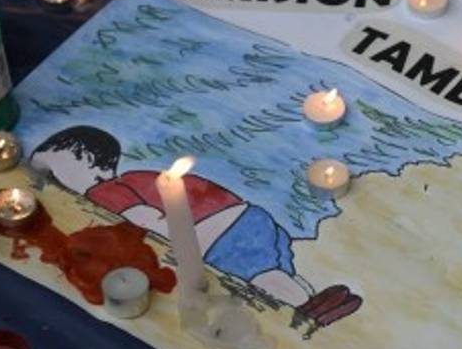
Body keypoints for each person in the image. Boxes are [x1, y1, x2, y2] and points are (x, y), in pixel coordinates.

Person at [30, 126, 361, 327]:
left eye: (53, 174)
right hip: (245, 216)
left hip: (219, 227)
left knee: (258, 273)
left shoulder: (104, 192)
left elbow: (148, 219)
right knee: (272, 266)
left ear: (87, 162)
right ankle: (313, 297)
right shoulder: (134, 178)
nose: (54, 185)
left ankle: (304, 308)